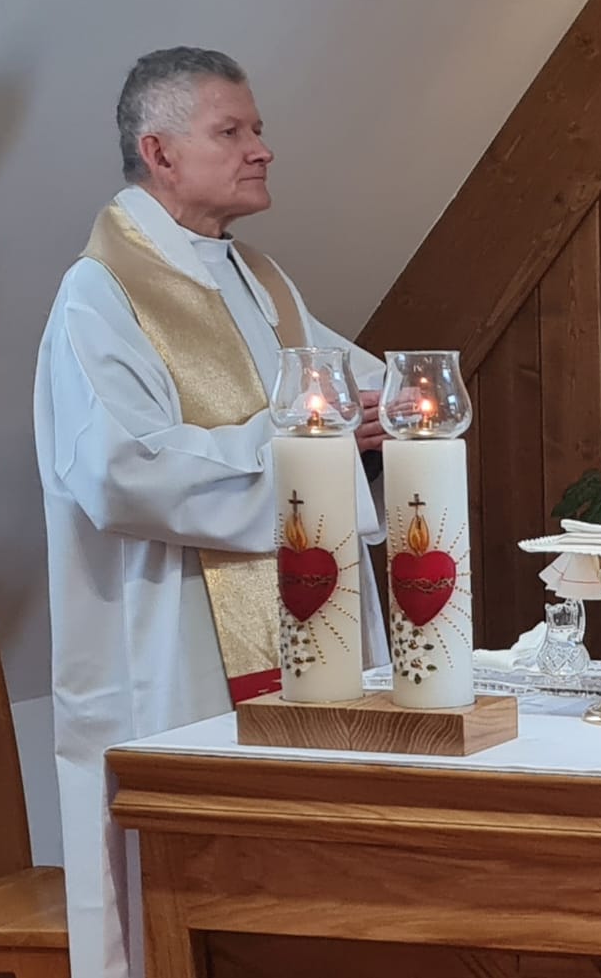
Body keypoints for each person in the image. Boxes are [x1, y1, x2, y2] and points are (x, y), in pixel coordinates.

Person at [33, 47, 390, 977]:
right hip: (173, 639)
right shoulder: (99, 294)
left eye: (257, 129)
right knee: (191, 897)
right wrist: (300, 446)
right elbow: (119, 470)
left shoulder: (256, 277)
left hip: (296, 618)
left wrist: (393, 403)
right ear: (158, 152)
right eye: (230, 131)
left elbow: (348, 380)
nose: (261, 149)